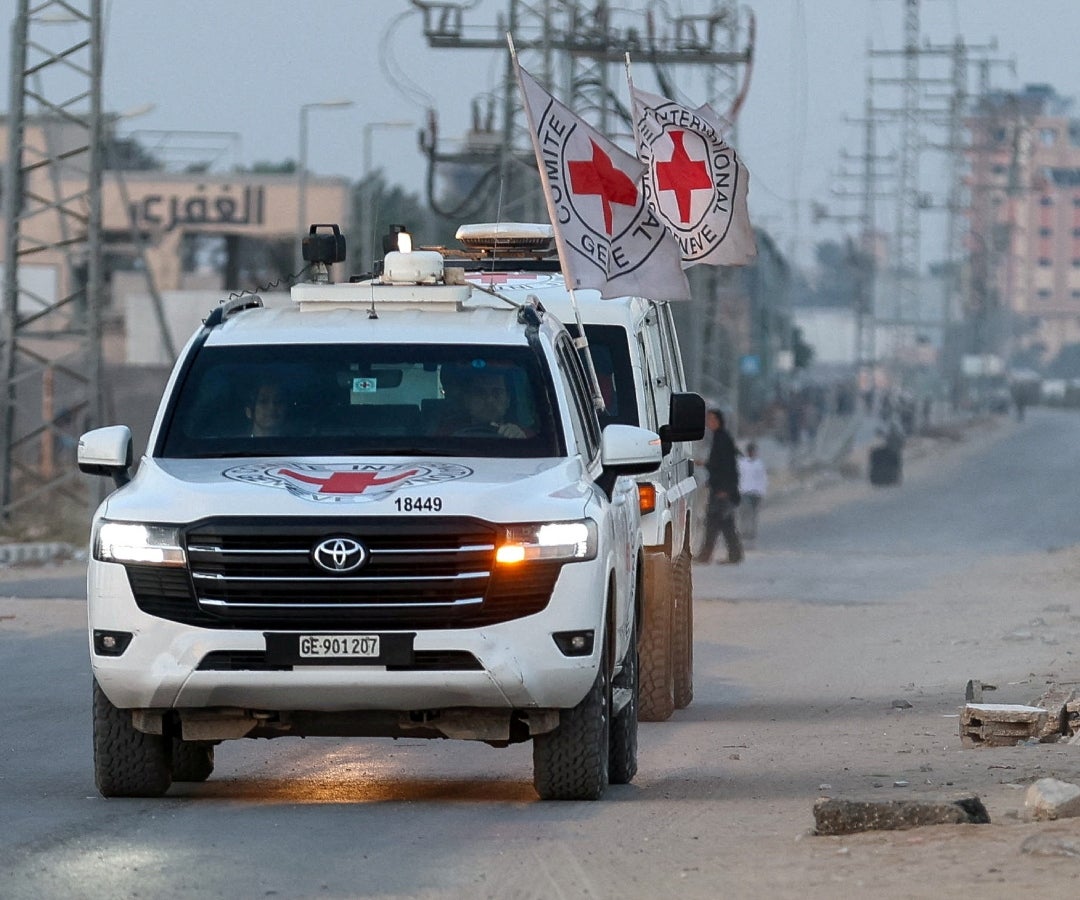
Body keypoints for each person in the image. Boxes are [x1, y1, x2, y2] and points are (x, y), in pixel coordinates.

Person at [697, 408, 743, 564]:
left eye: (711, 419)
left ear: (718, 421)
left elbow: (727, 466)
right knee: (722, 523)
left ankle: (708, 555)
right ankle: (732, 555)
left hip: (722, 490)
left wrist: (725, 489)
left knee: (717, 522)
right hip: (719, 487)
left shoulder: (723, 439)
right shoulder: (718, 438)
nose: (708, 422)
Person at [444, 368, 528, 439]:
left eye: (497, 392)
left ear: (507, 400)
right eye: (480, 392)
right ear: (467, 400)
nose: (489, 400)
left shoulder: (527, 437)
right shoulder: (446, 435)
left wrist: (520, 441)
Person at [737, 441, 768, 542]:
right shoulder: (742, 463)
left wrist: (762, 492)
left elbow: (763, 478)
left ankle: (751, 531)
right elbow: (739, 477)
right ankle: (743, 530)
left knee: (754, 513)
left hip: (756, 492)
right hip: (745, 491)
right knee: (745, 512)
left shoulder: (759, 464)